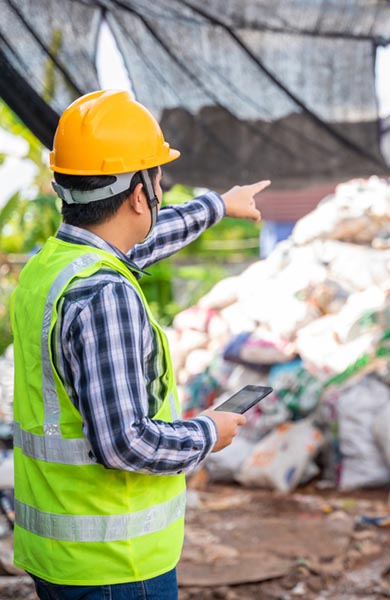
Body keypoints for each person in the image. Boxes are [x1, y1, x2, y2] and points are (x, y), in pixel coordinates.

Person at [10, 90, 268, 599]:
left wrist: (218, 205)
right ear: (138, 195)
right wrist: (207, 433)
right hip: (116, 567)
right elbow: (125, 443)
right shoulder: (106, 295)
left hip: (62, 557)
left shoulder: (51, 265)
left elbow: (141, 239)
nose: (160, 192)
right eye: (157, 180)